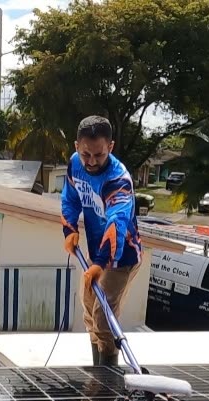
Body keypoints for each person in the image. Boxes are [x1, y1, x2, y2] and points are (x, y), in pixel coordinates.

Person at [61, 115, 142, 367]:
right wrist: (70, 229)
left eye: (99, 155)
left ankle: (106, 378)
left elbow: (116, 224)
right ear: (77, 147)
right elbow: (70, 198)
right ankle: (97, 371)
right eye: (86, 154)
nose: (92, 162)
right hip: (96, 253)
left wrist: (100, 262)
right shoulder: (76, 164)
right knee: (88, 308)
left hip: (121, 257)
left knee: (103, 316)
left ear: (111, 147)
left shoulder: (118, 181)